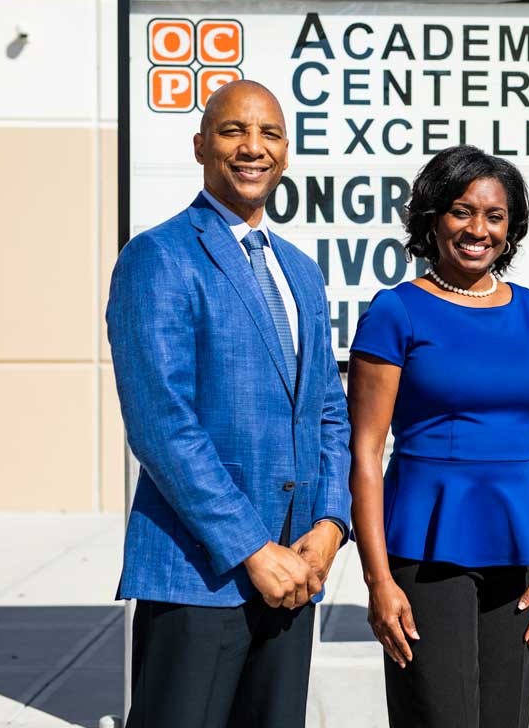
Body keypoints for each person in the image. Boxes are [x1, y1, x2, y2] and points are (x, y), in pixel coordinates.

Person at [106, 79, 351, 728]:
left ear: (287, 152)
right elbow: (162, 425)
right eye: (233, 131)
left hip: (296, 574)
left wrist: (329, 527)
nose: (253, 147)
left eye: (269, 133)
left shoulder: (299, 269)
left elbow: (329, 410)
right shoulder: (157, 256)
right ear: (200, 145)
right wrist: (252, 549)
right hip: (199, 576)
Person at [347, 144, 529, 728]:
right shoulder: (395, 312)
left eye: (494, 216)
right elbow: (366, 453)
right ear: (431, 220)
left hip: (520, 549)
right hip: (424, 554)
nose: (478, 229)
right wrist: (377, 579)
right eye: (461, 211)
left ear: (511, 227)